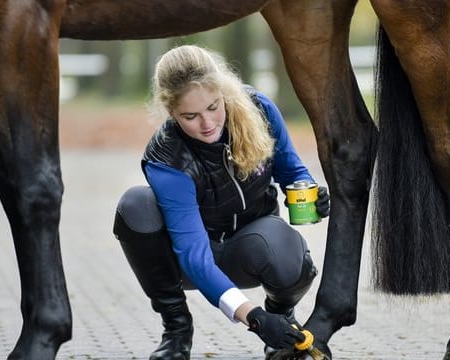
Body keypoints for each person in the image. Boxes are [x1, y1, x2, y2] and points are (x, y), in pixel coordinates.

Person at [113, 44, 330, 360]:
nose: (207, 124)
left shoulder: (258, 108)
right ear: (171, 112)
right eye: (191, 116)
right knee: (136, 205)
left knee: (287, 251)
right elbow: (195, 256)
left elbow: (291, 170)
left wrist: (312, 193)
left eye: (214, 107)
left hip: (252, 247)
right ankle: (176, 331)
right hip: (193, 258)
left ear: (222, 91)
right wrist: (252, 317)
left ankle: (282, 318)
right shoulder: (167, 158)